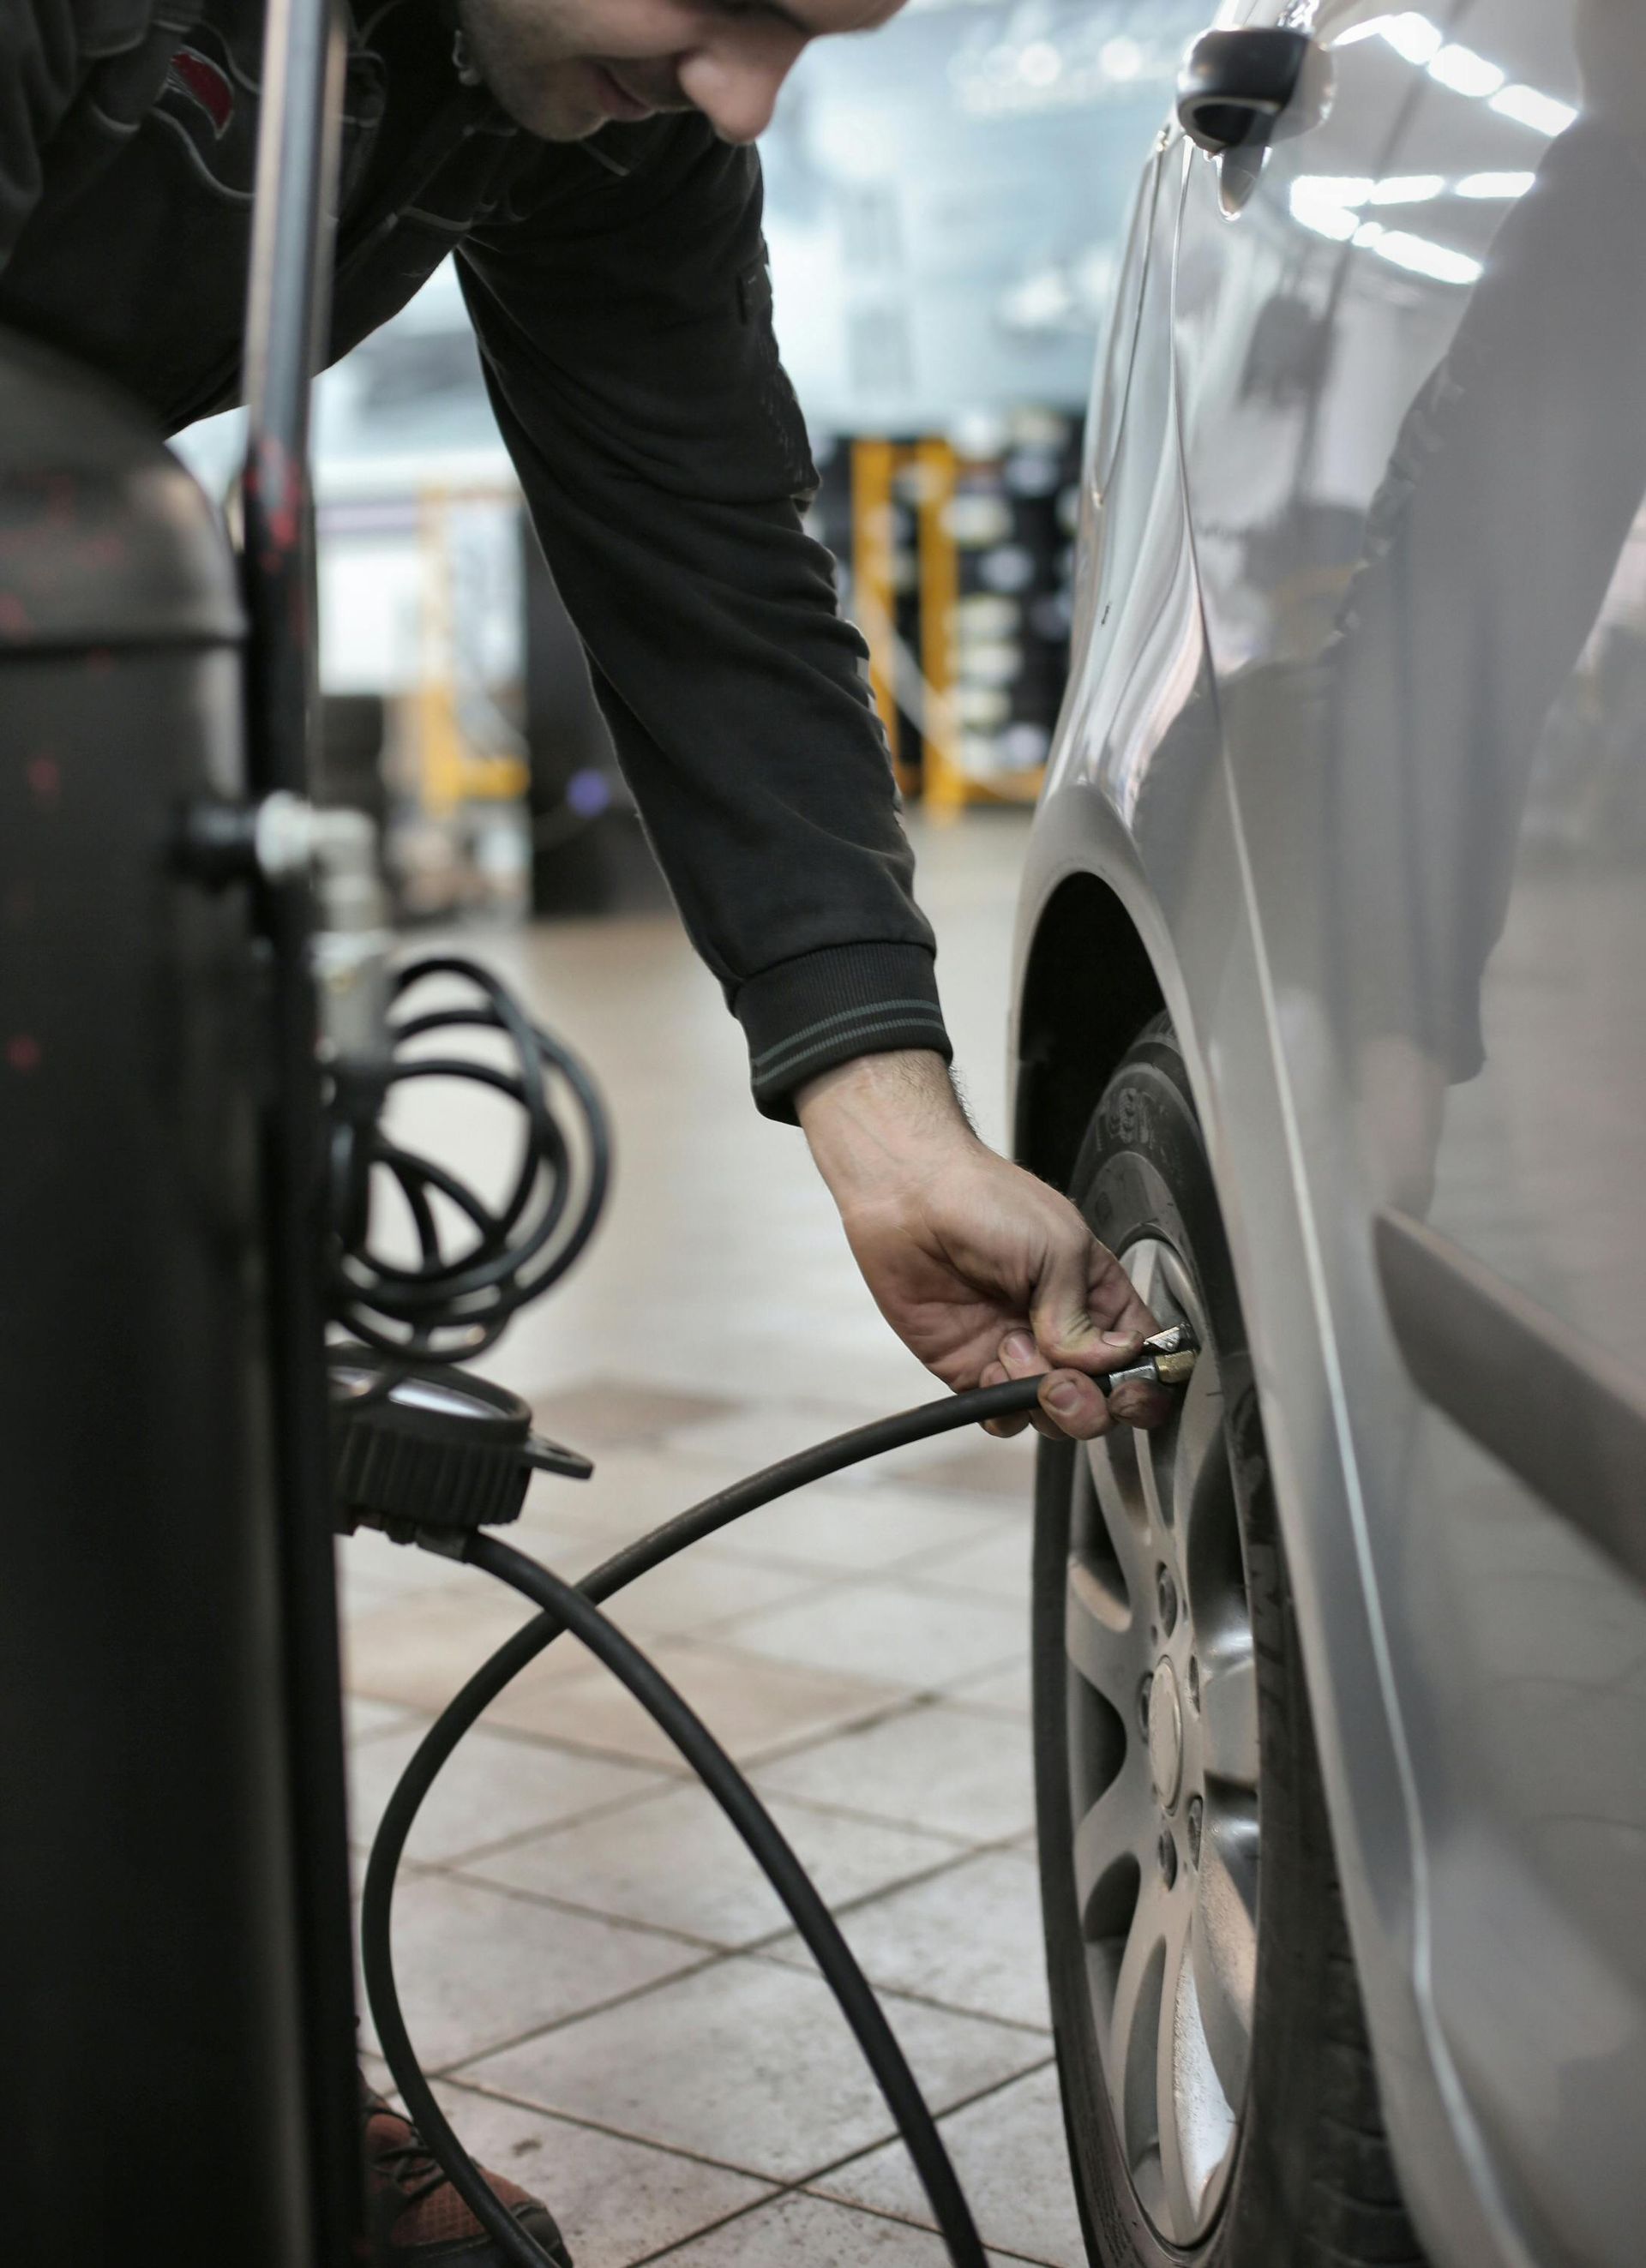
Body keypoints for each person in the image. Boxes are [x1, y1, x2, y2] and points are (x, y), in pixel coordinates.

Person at [0, 0, 1160, 2255]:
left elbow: (709, 557)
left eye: (814, 30)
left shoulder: (575, 100)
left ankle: (188, 2037)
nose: (743, 92)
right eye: (724, 3)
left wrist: (881, 1102)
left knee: (131, 1382)